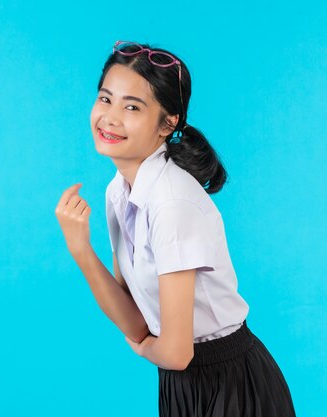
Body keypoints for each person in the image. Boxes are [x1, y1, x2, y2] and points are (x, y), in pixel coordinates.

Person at [54, 40, 296, 417]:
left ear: (168, 123)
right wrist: (81, 251)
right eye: (105, 99)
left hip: (231, 385)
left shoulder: (171, 203)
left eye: (132, 106)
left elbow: (174, 352)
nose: (110, 117)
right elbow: (134, 319)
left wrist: (142, 347)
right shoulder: (119, 192)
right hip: (181, 386)